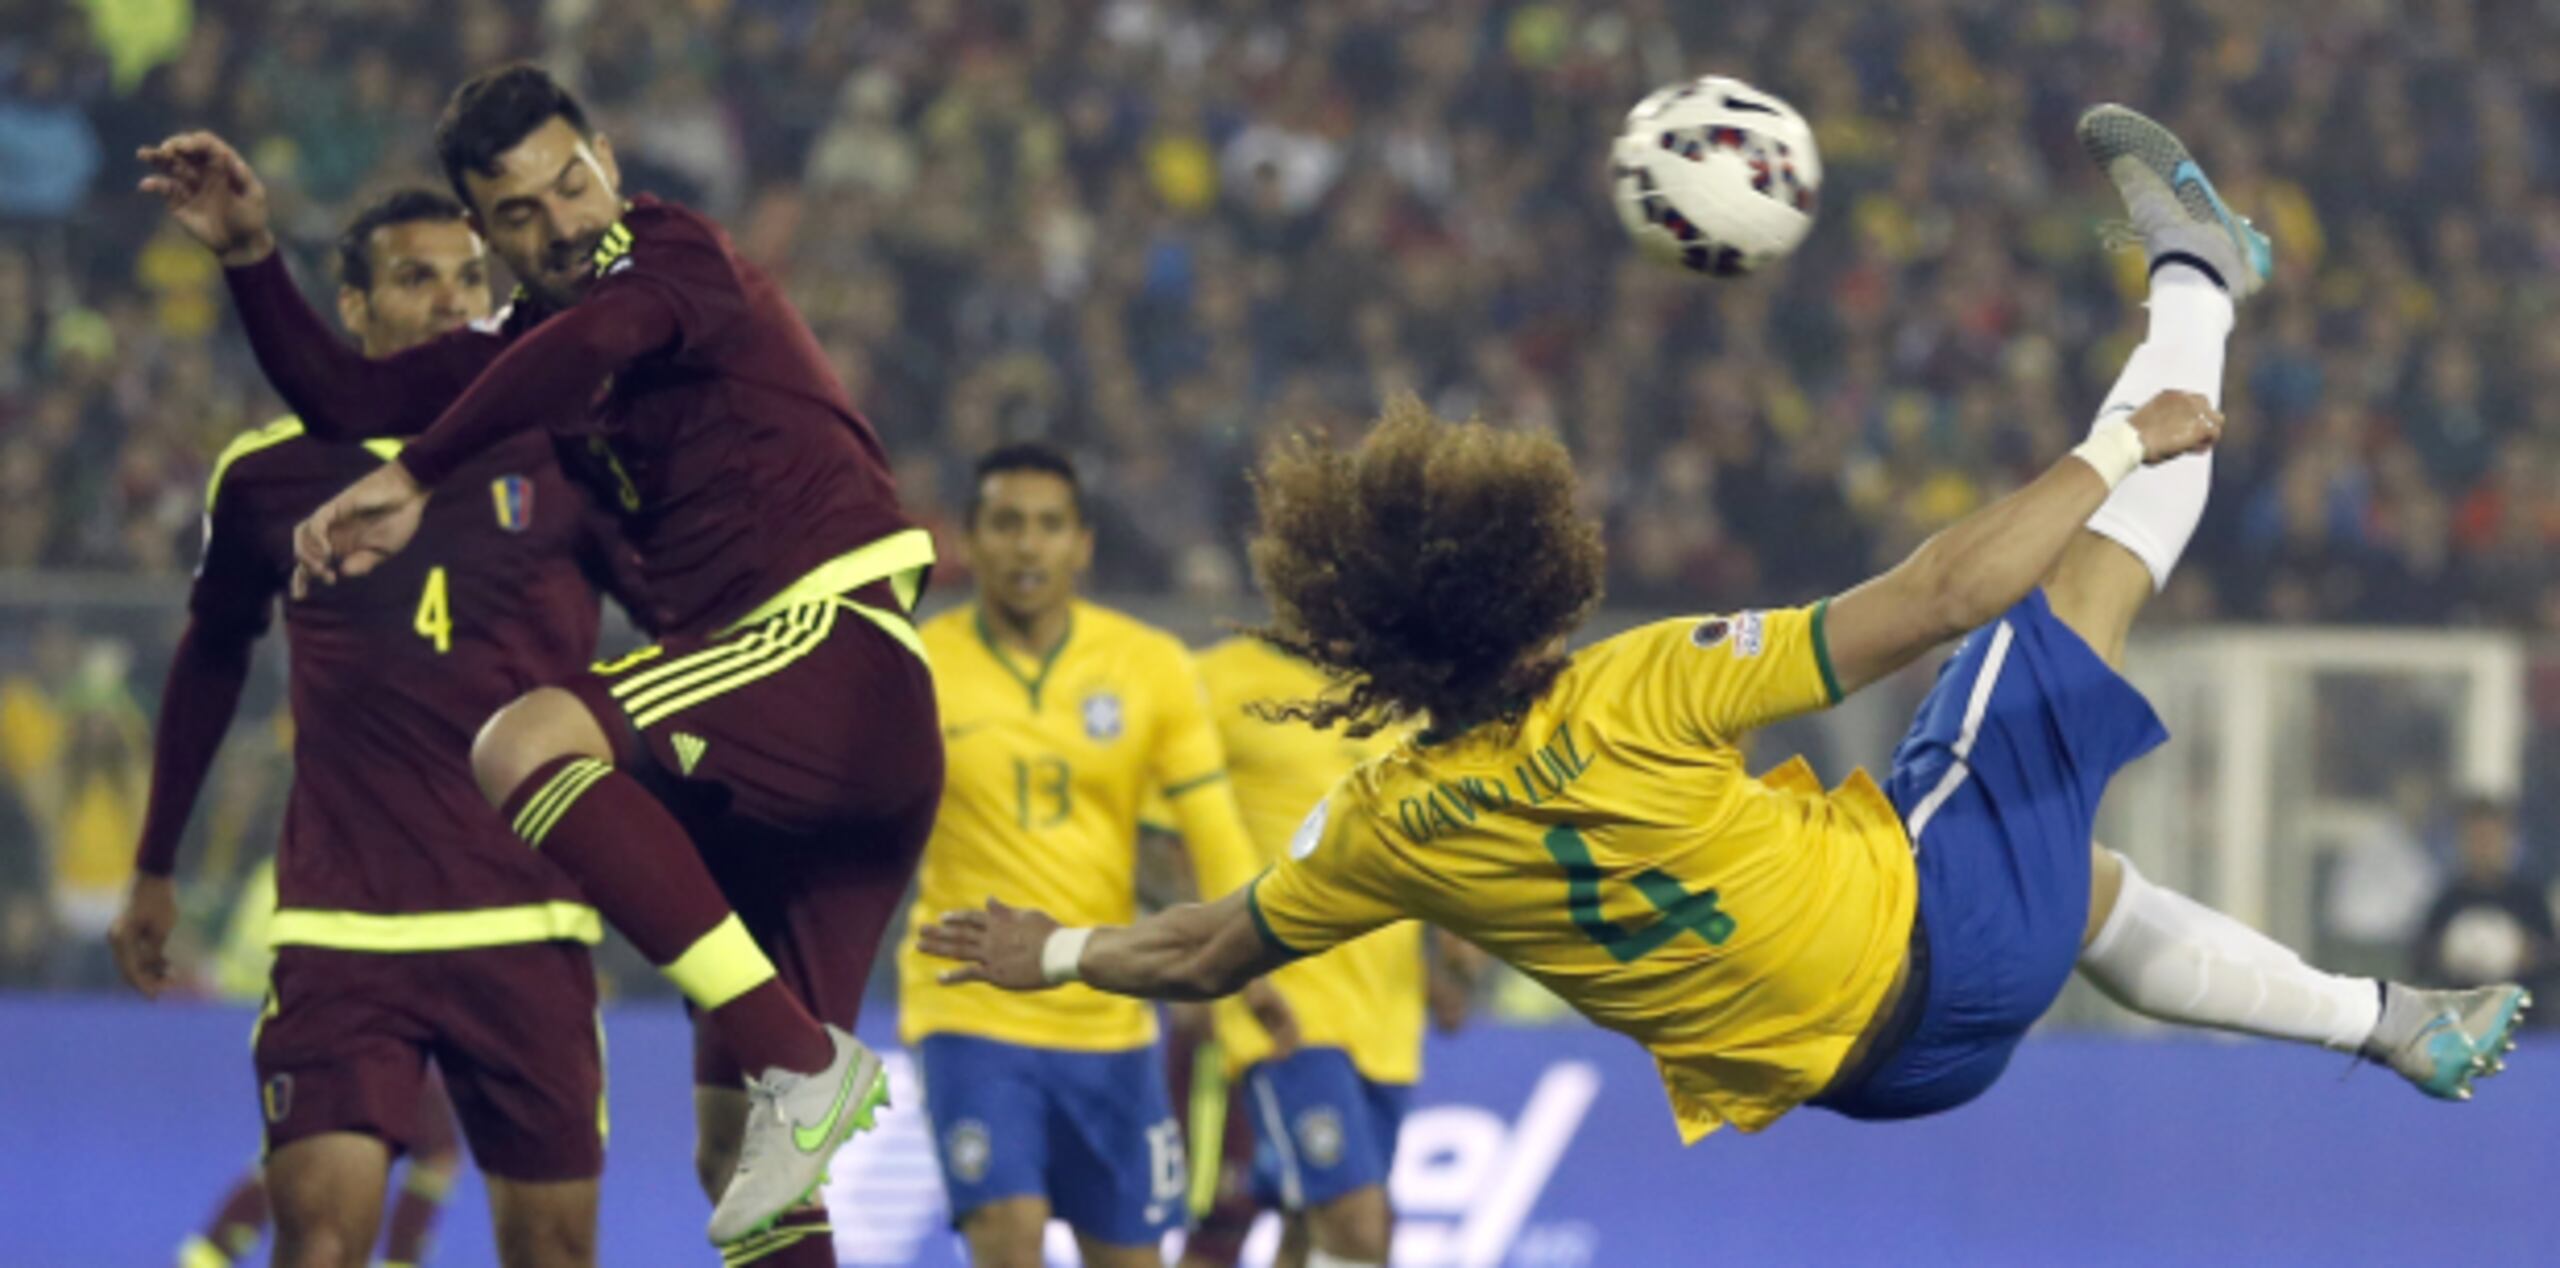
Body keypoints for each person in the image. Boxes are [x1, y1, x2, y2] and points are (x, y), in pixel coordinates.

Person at [919, 106, 2531, 1170]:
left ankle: (2391, 1025)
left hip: (1878, 1078)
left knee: (2083, 882)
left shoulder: (1388, 830)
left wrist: (1050, 952)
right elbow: (1941, 595)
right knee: (2068, 603)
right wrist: (2122, 443)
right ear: (1527, 579)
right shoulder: (1640, 685)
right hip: (1934, 941)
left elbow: (1199, 950)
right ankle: (2203, 275)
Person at [139, 63, 941, 1253]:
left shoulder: (670, 255)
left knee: (521, 741)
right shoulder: (522, 348)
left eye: (572, 183)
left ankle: (802, 1052)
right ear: (489, 231)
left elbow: (603, 333)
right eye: (517, 213)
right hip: (797, 754)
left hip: (823, 641)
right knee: (749, 1166)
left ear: (608, 160)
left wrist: (414, 474)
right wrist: (253, 255)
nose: (561, 222)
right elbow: (345, 391)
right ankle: (794, 1068)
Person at [111, 189, 613, 1268]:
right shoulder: (266, 473)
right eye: (415, 276)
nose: (451, 300)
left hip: (529, 921)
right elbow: (211, 651)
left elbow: (681, 626)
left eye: (470, 278)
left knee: (555, 1252)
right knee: (322, 1243)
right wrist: (156, 862)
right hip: (343, 929)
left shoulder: (567, 457)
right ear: (350, 305)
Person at [897, 443, 1293, 1268]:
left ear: (1083, 544)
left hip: (1109, 1013)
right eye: (1006, 524)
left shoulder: (1151, 666)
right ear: (969, 539)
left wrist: (1247, 967)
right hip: (969, 1012)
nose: (1027, 546)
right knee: (1005, 1238)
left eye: (1048, 526)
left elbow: (1213, 831)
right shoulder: (920, 667)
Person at [1171, 634, 1429, 1268]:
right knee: (1347, 1228)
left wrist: (1447, 954)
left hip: (1386, 1020)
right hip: (1278, 1010)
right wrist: (1203, 961)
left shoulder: (1414, 696)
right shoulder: (1213, 680)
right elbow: (1167, 837)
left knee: (1310, 1229)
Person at [177, 861, 468, 1268]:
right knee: (427, 1151)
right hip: (364, 1027)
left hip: (306, 1024)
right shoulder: (381, 855)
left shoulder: (288, 863)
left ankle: (206, 1256)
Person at [2413, 796, 2556, 1011]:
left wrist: (2530, 955)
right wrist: (2445, 955)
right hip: (2459, 1022)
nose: (2485, 847)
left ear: (2507, 840)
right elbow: (2419, 960)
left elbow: (2553, 960)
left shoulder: (2530, 900)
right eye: (2477, 838)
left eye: (2491, 838)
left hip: (2525, 1023)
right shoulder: (2448, 900)